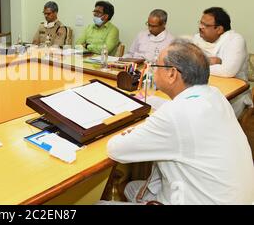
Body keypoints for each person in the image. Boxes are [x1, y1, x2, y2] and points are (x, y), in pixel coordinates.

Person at [101, 40, 254, 205]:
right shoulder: (214, 95)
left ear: (172, 74)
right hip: (231, 197)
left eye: (156, 65)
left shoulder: (175, 115)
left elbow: (115, 149)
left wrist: (132, 130)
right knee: (132, 188)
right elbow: (180, 116)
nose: (152, 70)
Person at [192, 7, 253, 118]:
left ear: (219, 29)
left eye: (205, 25)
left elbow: (227, 71)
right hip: (202, 91)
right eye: (200, 23)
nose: (200, 27)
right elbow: (186, 63)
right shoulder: (197, 38)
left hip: (232, 97)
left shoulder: (235, 40)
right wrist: (211, 62)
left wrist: (199, 64)